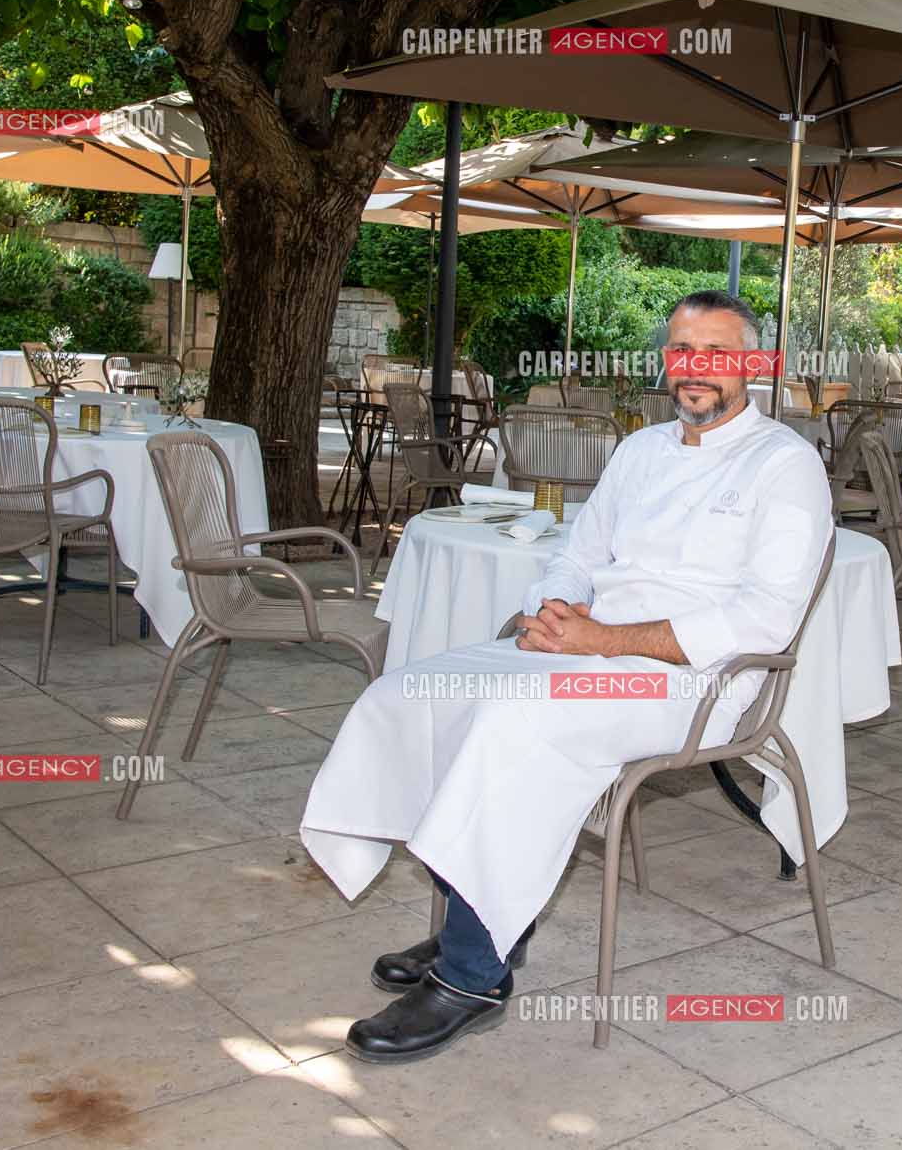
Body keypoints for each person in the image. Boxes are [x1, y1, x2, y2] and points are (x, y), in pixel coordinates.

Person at [300, 290, 834, 1063]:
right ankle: (483, 917)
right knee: (409, 693)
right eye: (683, 350)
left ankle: (473, 976)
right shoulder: (642, 449)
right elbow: (579, 553)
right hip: (590, 647)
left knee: (512, 724)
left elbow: (762, 622)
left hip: (697, 682)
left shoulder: (784, 464)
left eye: (718, 354)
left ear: (754, 365)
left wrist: (604, 635)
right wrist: (554, 609)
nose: (697, 369)